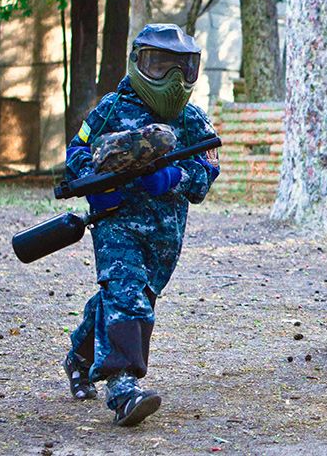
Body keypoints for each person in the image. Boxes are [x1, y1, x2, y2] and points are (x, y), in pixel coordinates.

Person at [62, 24, 220, 426]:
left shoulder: (192, 121)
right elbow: (77, 151)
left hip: (165, 235)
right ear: (138, 63)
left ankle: (79, 355)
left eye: (182, 68)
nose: (172, 79)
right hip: (117, 224)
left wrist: (176, 177)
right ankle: (123, 388)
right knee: (126, 293)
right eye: (160, 65)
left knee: (129, 299)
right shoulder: (112, 109)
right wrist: (95, 187)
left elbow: (208, 171)